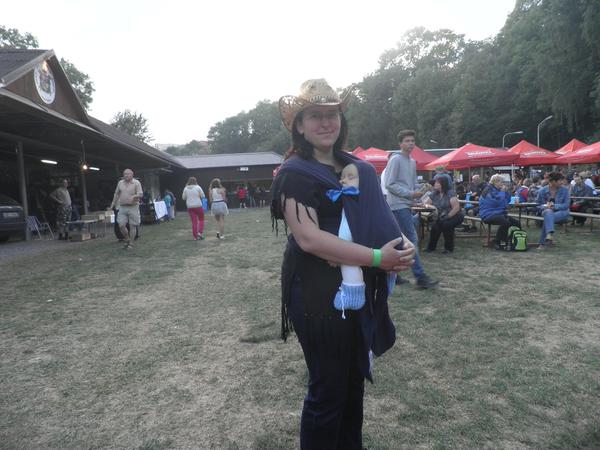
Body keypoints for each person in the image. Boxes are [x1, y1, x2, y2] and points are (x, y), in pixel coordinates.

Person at [272, 78, 415, 449]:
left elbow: (374, 216)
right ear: (299, 125)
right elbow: (309, 238)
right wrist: (379, 258)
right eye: (315, 116)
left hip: (359, 289)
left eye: (332, 114)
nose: (326, 123)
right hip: (317, 293)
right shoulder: (294, 173)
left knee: (353, 384)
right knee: (328, 391)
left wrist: (403, 244)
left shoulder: (356, 169)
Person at [384, 129, 439, 289]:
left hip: (406, 204)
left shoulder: (412, 162)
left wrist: (422, 189)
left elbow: (413, 184)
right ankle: (420, 277)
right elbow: (389, 184)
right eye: (407, 141)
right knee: (411, 239)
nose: (410, 143)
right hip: (397, 205)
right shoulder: (395, 159)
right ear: (400, 143)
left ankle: (393, 274)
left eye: (412, 141)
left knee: (398, 240)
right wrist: (410, 194)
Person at [478, 173, 520, 250]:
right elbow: (496, 202)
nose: (502, 184)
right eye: (501, 182)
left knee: (516, 223)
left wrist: (506, 192)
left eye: (503, 182)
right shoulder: (488, 190)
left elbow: (506, 201)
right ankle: (497, 241)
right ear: (495, 182)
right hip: (488, 214)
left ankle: (517, 241)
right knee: (505, 222)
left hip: (498, 213)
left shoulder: (498, 190)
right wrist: (503, 192)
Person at [423, 177, 464, 253]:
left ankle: (448, 249)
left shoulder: (450, 193)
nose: (435, 184)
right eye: (435, 183)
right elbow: (425, 204)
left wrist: (447, 217)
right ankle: (431, 248)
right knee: (435, 226)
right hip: (443, 216)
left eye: (437, 183)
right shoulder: (434, 193)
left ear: (443, 184)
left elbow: (456, 208)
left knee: (446, 225)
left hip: (456, 215)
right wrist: (433, 207)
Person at [109, 168, 143, 250]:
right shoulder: (120, 183)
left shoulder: (136, 183)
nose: (126, 175)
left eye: (128, 174)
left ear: (132, 175)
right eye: (125, 174)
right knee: (121, 224)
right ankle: (127, 238)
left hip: (133, 207)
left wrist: (134, 196)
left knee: (132, 226)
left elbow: (141, 194)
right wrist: (112, 204)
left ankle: (131, 243)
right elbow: (116, 194)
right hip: (122, 207)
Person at [536, 172, 570, 249]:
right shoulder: (542, 191)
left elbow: (566, 205)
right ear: (553, 181)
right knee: (548, 213)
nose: (562, 182)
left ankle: (543, 243)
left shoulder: (564, 190)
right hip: (546, 211)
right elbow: (538, 205)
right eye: (560, 180)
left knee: (548, 217)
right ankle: (549, 234)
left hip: (562, 212)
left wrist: (554, 206)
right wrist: (545, 206)